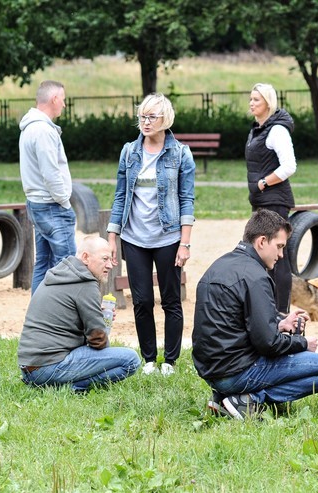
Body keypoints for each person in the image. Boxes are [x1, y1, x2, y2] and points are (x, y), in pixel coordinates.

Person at [192, 209, 318, 420]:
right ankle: (248, 399)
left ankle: (224, 397)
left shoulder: (218, 266)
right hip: (236, 372)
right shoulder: (256, 277)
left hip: (210, 371)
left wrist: (279, 322)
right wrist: (302, 343)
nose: (281, 255)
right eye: (279, 246)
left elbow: (234, 322)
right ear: (262, 241)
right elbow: (268, 344)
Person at [107, 93, 196, 376]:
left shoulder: (180, 154)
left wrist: (185, 243)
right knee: (142, 300)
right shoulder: (129, 152)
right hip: (134, 238)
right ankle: (148, 359)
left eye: (151, 117)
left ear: (165, 119)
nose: (145, 122)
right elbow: (120, 196)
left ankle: (170, 360)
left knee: (170, 300)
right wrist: (112, 236)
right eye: (142, 117)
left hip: (168, 238)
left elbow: (187, 199)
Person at [17, 235, 140, 391]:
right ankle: (72, 387)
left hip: (29, 368)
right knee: (131, 360)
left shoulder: (60, 273)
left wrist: (95, 312)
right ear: (86, 257)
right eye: (104, 259)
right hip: (48, 367)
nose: (110, 265)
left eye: (110, 259)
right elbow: (98, 340)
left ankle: (58, 385)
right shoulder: (86, 283)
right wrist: (100, 325)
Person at [19, 80, 76, 294]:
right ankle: (62, 312)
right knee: (68, 264)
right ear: (54, 99)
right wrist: (64, 201)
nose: (64, 104)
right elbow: (51, 173)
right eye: (63, 99)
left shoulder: (30, 127)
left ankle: (38, 311)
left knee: (43, 263)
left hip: (37, 203)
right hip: (52, 205)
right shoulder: (43, 130)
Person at [246, 83, 298, 313]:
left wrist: (264, 182)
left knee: (278, 256)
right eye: (250, 99)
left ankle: (281, 311)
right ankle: (266, 308)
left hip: (275, 200)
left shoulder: (277, 130)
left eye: (256, 99)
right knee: (260, 254)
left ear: (268, 103)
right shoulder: (257, 130)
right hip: (260, 201)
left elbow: (289, 166)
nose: (251, 103)